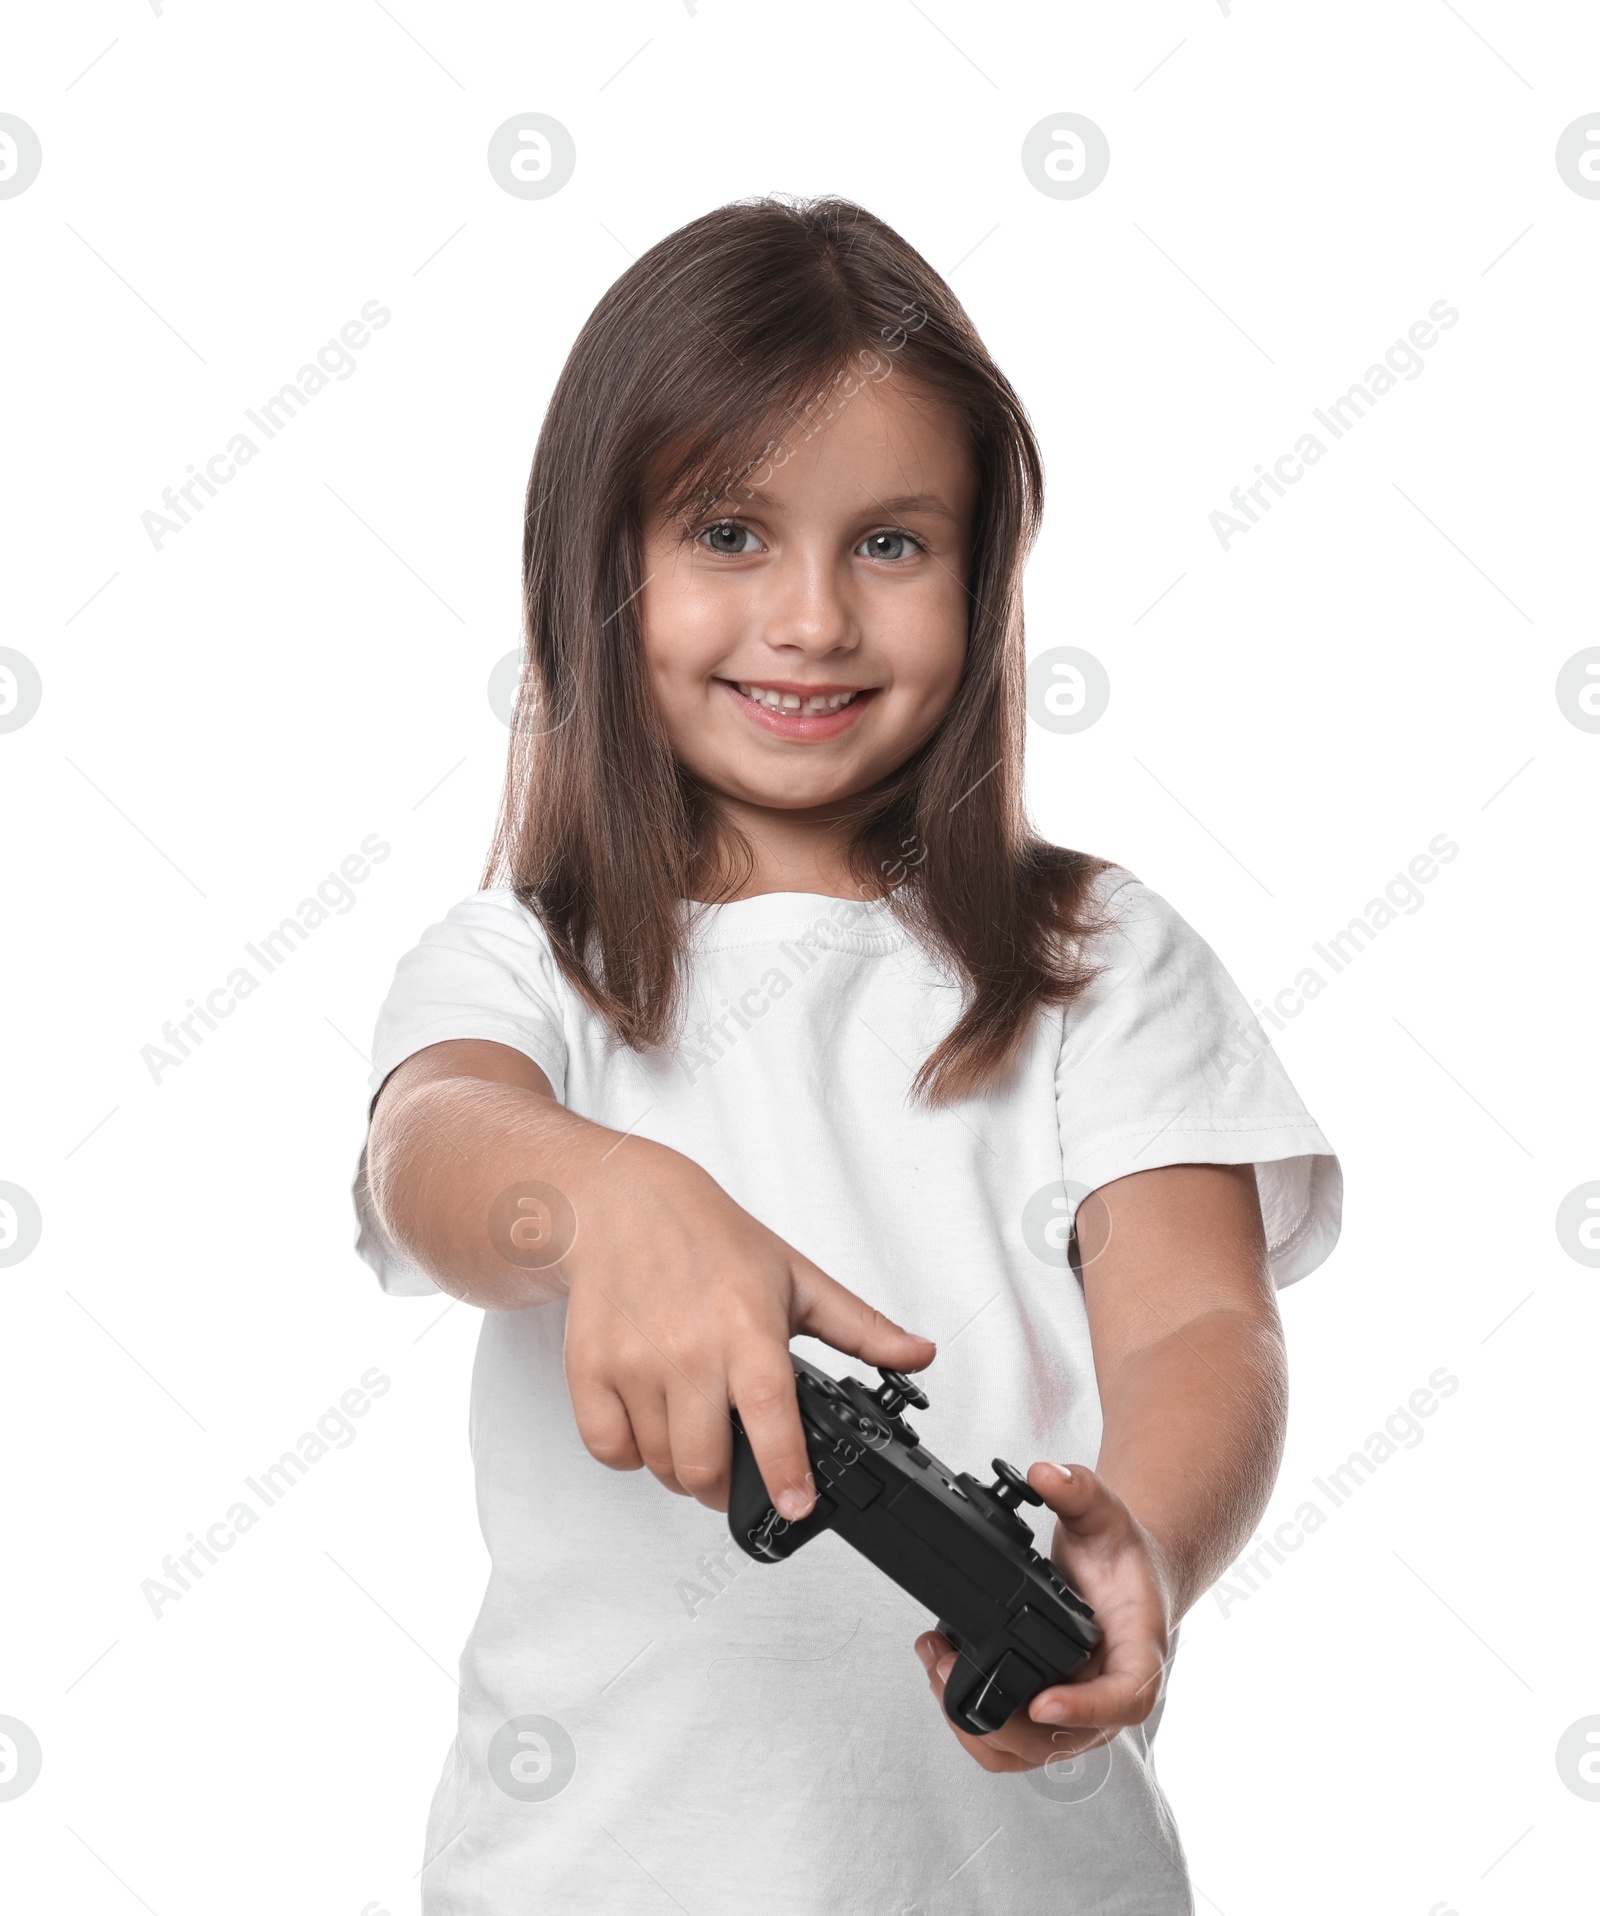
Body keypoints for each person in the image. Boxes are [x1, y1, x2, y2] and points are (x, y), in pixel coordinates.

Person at [352, 195, 1342, 1914]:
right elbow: (432, 1154)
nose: (810, 620)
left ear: (983, 575)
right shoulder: (523, 966)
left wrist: (1148, 1550)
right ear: (602, 571)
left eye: (891, 544)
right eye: (730, 533)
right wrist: (609, 1199)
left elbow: (1199, 1319)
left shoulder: (1098, 958)